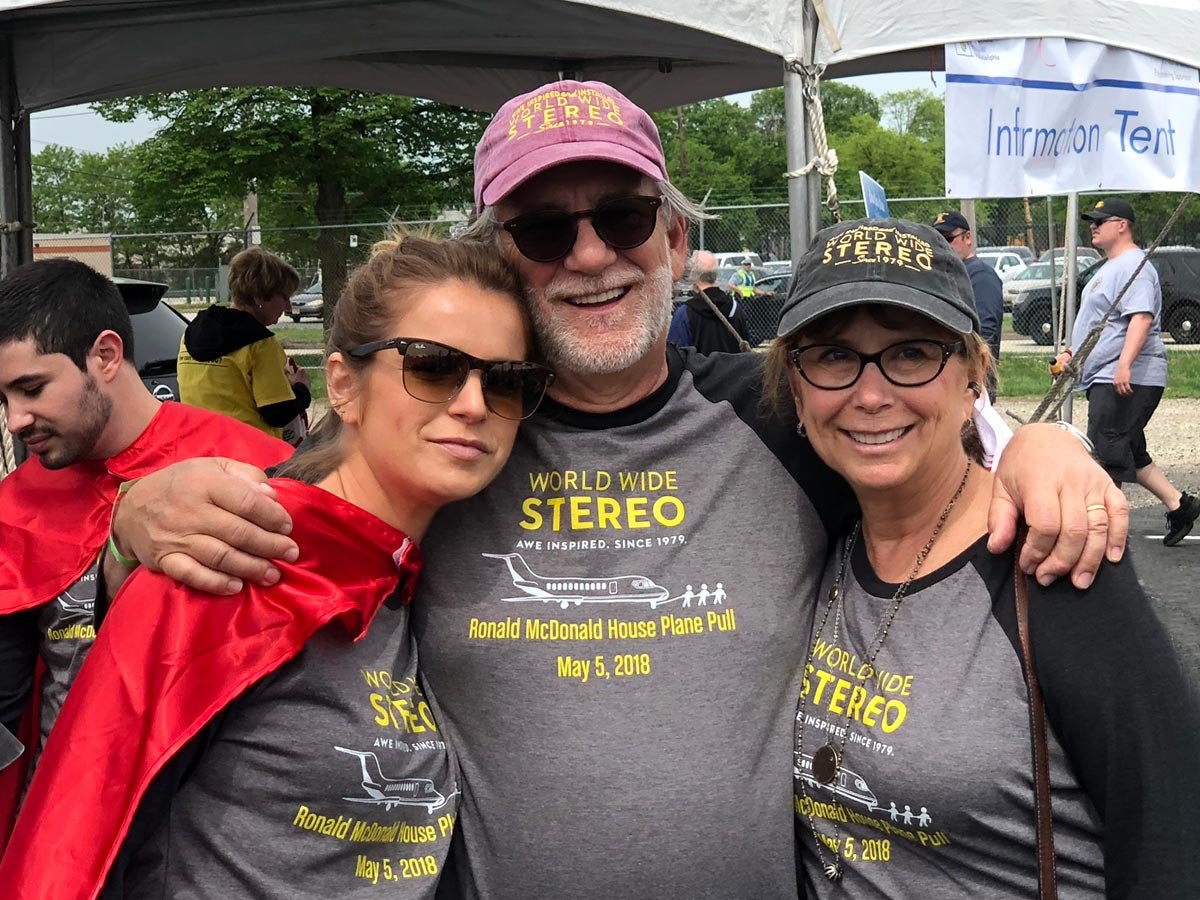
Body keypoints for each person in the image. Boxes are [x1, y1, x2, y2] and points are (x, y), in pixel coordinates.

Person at [105, 80, 1125, 900]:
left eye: (625, 216)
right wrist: (137, 512)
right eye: (545, 231)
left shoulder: (773, 422)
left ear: (673, 241)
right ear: (502, 260)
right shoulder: (462, 434)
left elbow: (903, 413)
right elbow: (297, 510)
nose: (591, 253)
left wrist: (1033, 452)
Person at [0, 235, 555, 899]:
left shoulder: (419, 571)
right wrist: (124, 536)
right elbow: (74, 847)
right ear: (343, 384)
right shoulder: (233, 556)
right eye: (432, 366)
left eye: (508, 381)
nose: (473, 404)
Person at [771, 218, 1200, 898]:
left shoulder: (1055, 559)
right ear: (795, 385)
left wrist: (1049, 443)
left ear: (973, 374)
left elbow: (1169, 841)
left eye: (911, 353)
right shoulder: (815, 529)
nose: (871, 393)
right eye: (831, 356)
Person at [0, 259, 291, 846]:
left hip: (220, 841)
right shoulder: (15, 507)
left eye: (31, 388)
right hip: (64, 834)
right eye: (3, 397)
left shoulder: (259, 474)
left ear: (107, 356)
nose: (16, 419)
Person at [1053, 197, 1200, 546]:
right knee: (1129, 451)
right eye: (1092, 220)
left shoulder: (1136, 265)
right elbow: (1101, 324)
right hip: (1105, 373)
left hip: (1127, 375)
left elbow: (1141, 317)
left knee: (1106, 451)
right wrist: (1072, 354)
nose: (1094, 225)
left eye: (1101, 220)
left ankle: (1104, 530)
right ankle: (1181, 506)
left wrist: (1124, 364)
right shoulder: (1109, 268)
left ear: (1123, 225)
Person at [178, 246, 311, 441]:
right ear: (259, 297)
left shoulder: (190, 333)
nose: (288, 306)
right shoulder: (260, 344)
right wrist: (302, 389)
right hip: (249, 456)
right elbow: (278, 413)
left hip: (200, 450)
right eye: (284, 296)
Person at [932, 210, 1003, 398]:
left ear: (968, 238)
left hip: (971, 381)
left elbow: (985, 333)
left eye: (948, 239)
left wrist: (974, 380)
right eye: (937, 240)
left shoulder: (981, 276)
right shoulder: (944, 276)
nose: (942, 246)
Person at [667, 249, 753, 353]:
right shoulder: (734, 308)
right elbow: (745, 347)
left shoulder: (685, 314)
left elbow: (676, 355)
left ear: (693, 276)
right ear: (715, 275)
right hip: (733, 368)